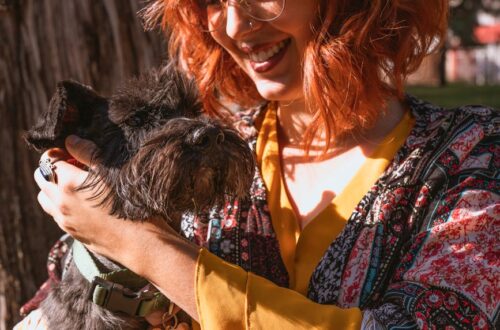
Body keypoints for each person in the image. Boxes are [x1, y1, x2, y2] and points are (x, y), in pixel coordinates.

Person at [19, 0, 499, 328]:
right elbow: (63, 296)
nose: (231, 25)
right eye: (212, 0)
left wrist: (145, 249)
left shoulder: (475, 154)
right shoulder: (201, 146)